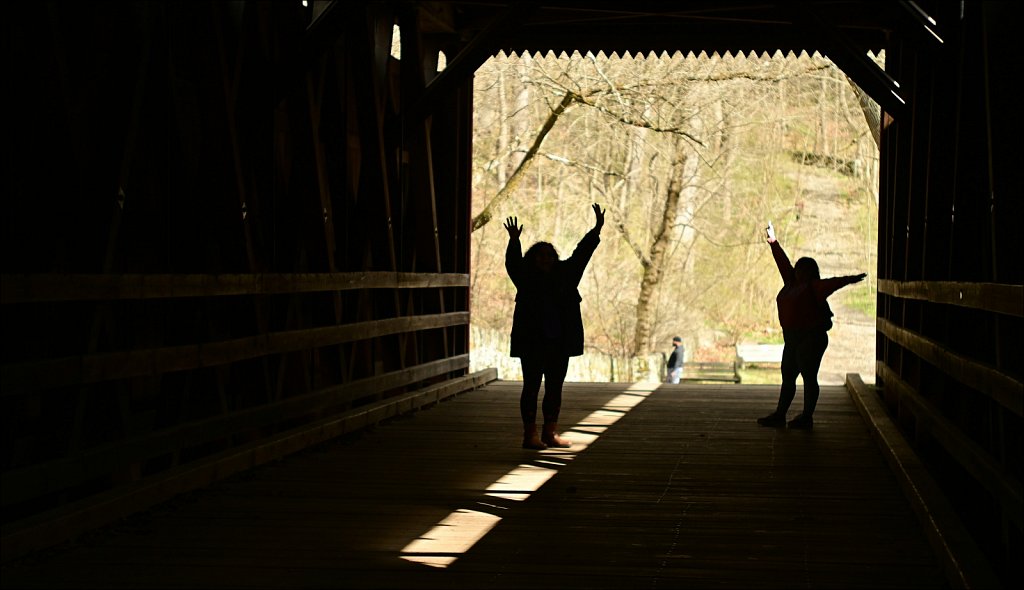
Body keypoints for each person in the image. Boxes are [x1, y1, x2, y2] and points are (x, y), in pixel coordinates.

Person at [504, 204, 605, 449]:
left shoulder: (567, 274)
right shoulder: (525, 277)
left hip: (559, 341)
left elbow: (582, 254)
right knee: (531, 386)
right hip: (532, 342)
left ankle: (550, 432)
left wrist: (596, 230)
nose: (546, 259)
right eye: (541, 255)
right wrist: (514, 240)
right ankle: (530, 435)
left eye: (550, 255)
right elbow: (512, 263)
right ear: (533, 259)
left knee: (555, 387)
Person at [757, 221, 866, 430]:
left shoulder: (814, 287)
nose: (798, 271)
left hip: (811, 338)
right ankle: (780, 415)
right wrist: (773, 241)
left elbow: (832, 283)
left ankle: (806, 417)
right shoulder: (791, 283)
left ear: (809, 272)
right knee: (788, 376)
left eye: (802, 269)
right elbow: (782, 262)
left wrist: (851, 279)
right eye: (798, 268)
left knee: (808, 376)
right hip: (792, 338)